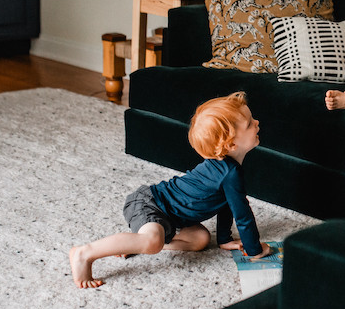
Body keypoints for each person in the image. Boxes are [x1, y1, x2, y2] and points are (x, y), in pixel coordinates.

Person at [69, 92, 270, 288]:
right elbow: (243, 215)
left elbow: (228, 203)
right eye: (250, 123)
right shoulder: (230, 172)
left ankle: (134, 244)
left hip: (170, 219)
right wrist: (254, 250)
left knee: (201, 239)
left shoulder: (229, 170)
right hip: (149, 203)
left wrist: (224, 238)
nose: (257, 123)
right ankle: (84, 253)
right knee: (153, 241)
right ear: (231, 143)